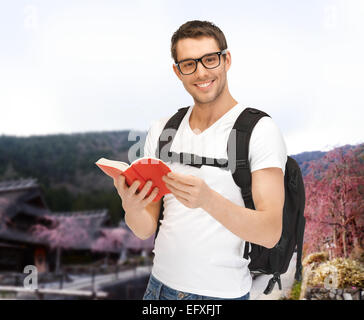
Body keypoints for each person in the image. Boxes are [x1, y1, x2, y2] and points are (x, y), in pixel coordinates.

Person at [113, 20, 287, 300]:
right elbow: (144, 229)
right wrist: (130, 205)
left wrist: (208, 200)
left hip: (222, 295)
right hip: (159, 289)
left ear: (226, 59)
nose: (201, 72)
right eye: (189, 64)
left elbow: (270, 233)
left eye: (209, 59)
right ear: (177, 71)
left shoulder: (259, 130)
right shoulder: (162, 130)